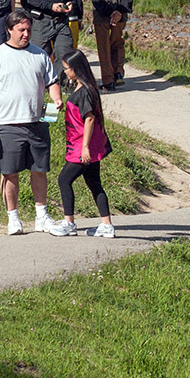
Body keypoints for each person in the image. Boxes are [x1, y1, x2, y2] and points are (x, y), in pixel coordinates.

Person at [0, 9, 62, 235]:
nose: (26, 34)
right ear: (9, 30)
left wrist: (57, 98)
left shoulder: (40, 55)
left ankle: (41, 216)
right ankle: (13, 218)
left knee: (39, 170)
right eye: (21, 30)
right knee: (10, 173)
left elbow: (52, 82)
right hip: (8, 124)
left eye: (29, 30)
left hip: (37, 122)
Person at [50, 49, 115, 238]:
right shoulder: (85, 88)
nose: (65, 72)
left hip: (82, 146)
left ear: (76, 68)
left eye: (66, 68)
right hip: (91, 146)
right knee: (94, 183)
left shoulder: (84, 91)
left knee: (64, 180)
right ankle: (106, 225)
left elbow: (89, 119)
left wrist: (84, 147)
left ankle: (69, 223)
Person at [23, 0, 82, 74]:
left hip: (62, 22)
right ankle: (38, 83)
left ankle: (59, 83)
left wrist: (71, 4)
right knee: (38, 54)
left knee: (65, 53)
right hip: (42, 21)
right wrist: (51, 6)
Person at [89, 0, 134, 90]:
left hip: (102, 16)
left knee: (104, 47)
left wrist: (109, 12)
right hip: (120, 17)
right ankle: (119, 72)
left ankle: (108, 81)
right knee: (118, 42)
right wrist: (119, 12)